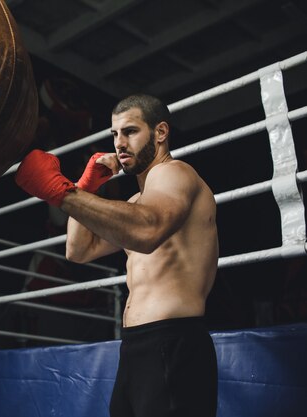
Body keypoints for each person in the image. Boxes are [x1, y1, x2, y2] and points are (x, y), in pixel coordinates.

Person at [15, 94, 219, 417]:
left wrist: (62, 193)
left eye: (130, 131)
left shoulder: (176, 174)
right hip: (136, 348)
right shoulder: (138, 201)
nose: (119, 143)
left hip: (173, 342)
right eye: (114, 135)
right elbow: (78, 250)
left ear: (160, 133)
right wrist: (86, 186)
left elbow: (148, 231)